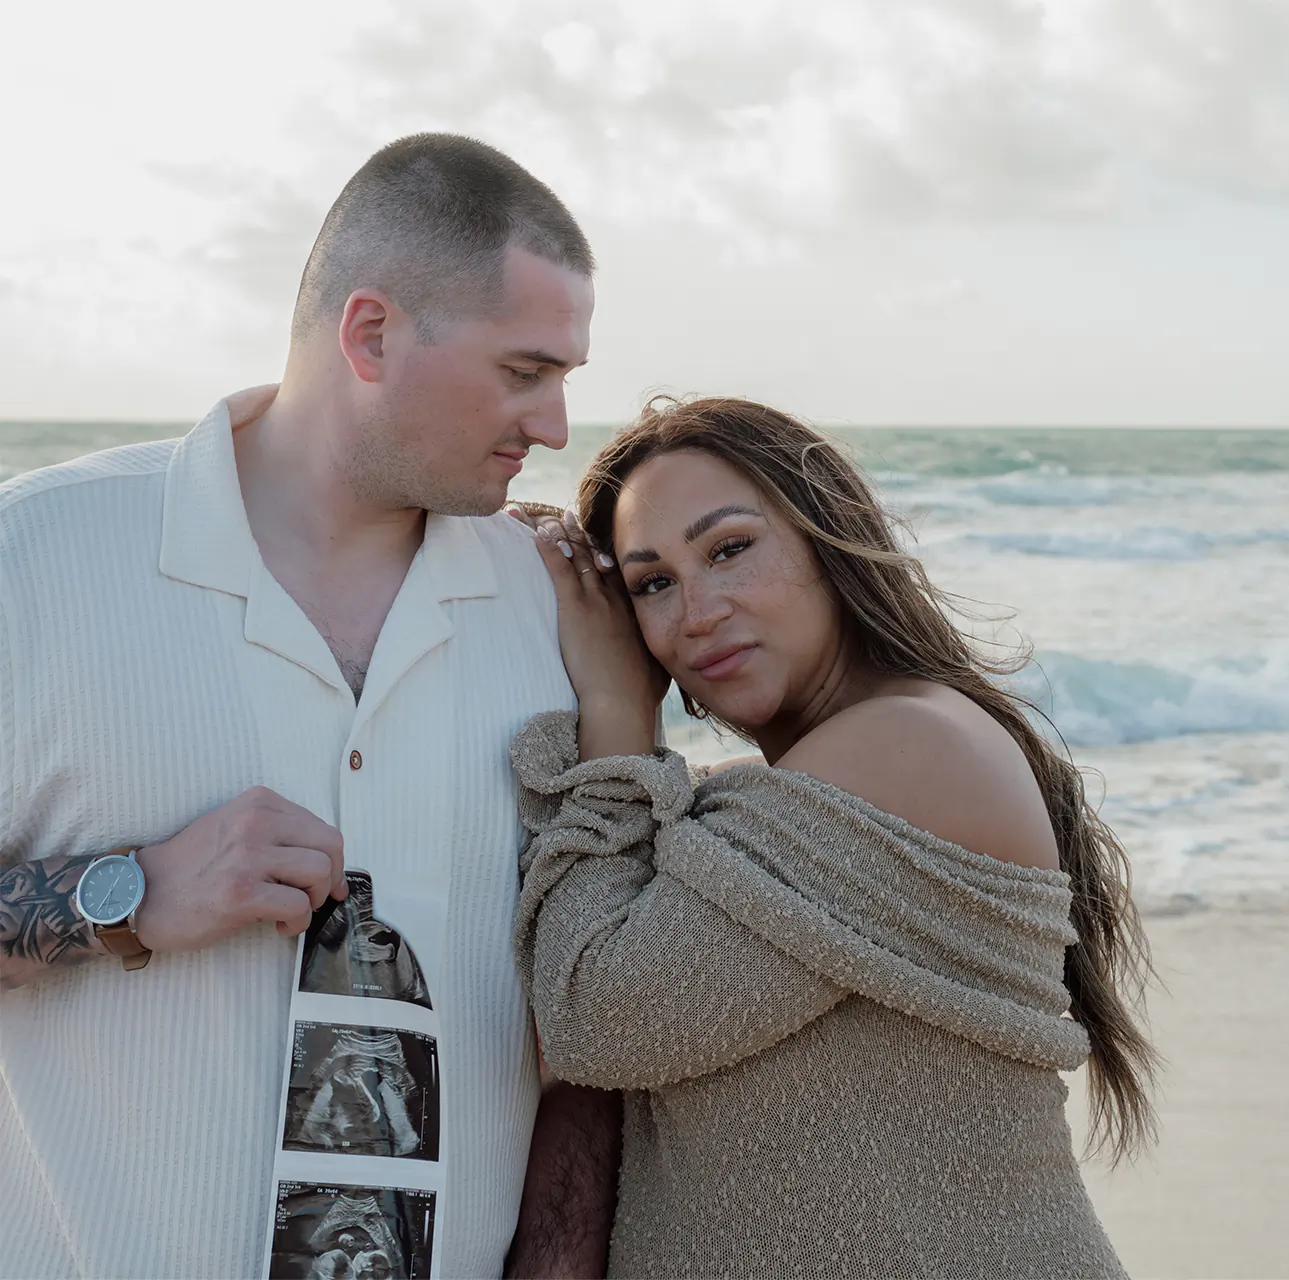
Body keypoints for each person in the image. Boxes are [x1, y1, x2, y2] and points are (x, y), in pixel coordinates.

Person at [0, 134, 617, 1278]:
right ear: (371, 333)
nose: (555, 427)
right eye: (526, 370)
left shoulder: (560, 608)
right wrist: (127, 892)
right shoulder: (28, 561)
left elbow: (595, 1002)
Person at [509, 396, 1158, 1278]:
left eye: (729, 549)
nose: (696, 612)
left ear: (830, 540)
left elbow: (599, 1019)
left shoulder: (909, 744)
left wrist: (618, 713)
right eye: (652, 583)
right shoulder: (780, 796)